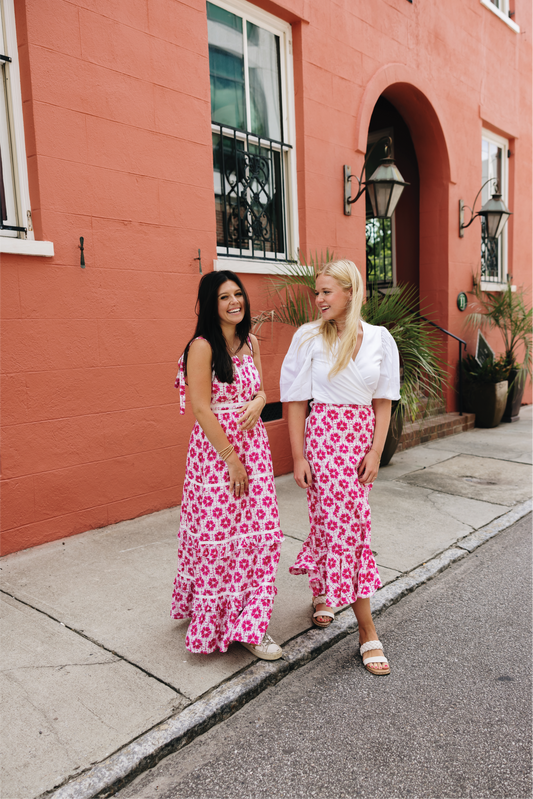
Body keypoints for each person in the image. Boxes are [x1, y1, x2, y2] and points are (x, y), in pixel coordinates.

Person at [280, 259, 400, 675]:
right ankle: (367, 628)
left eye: (327, 291)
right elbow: (295, 400)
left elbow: (383, 400)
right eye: (317, 292)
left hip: (361, 440)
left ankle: (325, 594)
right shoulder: (308, 337)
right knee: (338, 524)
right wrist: (298, 456)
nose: (319, 299)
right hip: (324, 439)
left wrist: (375, 450)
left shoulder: (380, 339)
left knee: (345, 524)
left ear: (351, 292)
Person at [171, 270, 283, 660]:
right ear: (210, 304)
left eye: (238, 294)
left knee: (260, 535)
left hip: (255, 449)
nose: (235, 302)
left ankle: (251, 624)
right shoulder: (201, 346)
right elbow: (201, 408)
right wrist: (231, 460)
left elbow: (260, 390)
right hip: (218, 456)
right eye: (224, 297)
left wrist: (259, 402)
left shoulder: (249, 341)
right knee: (222, 538)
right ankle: (217, 612)